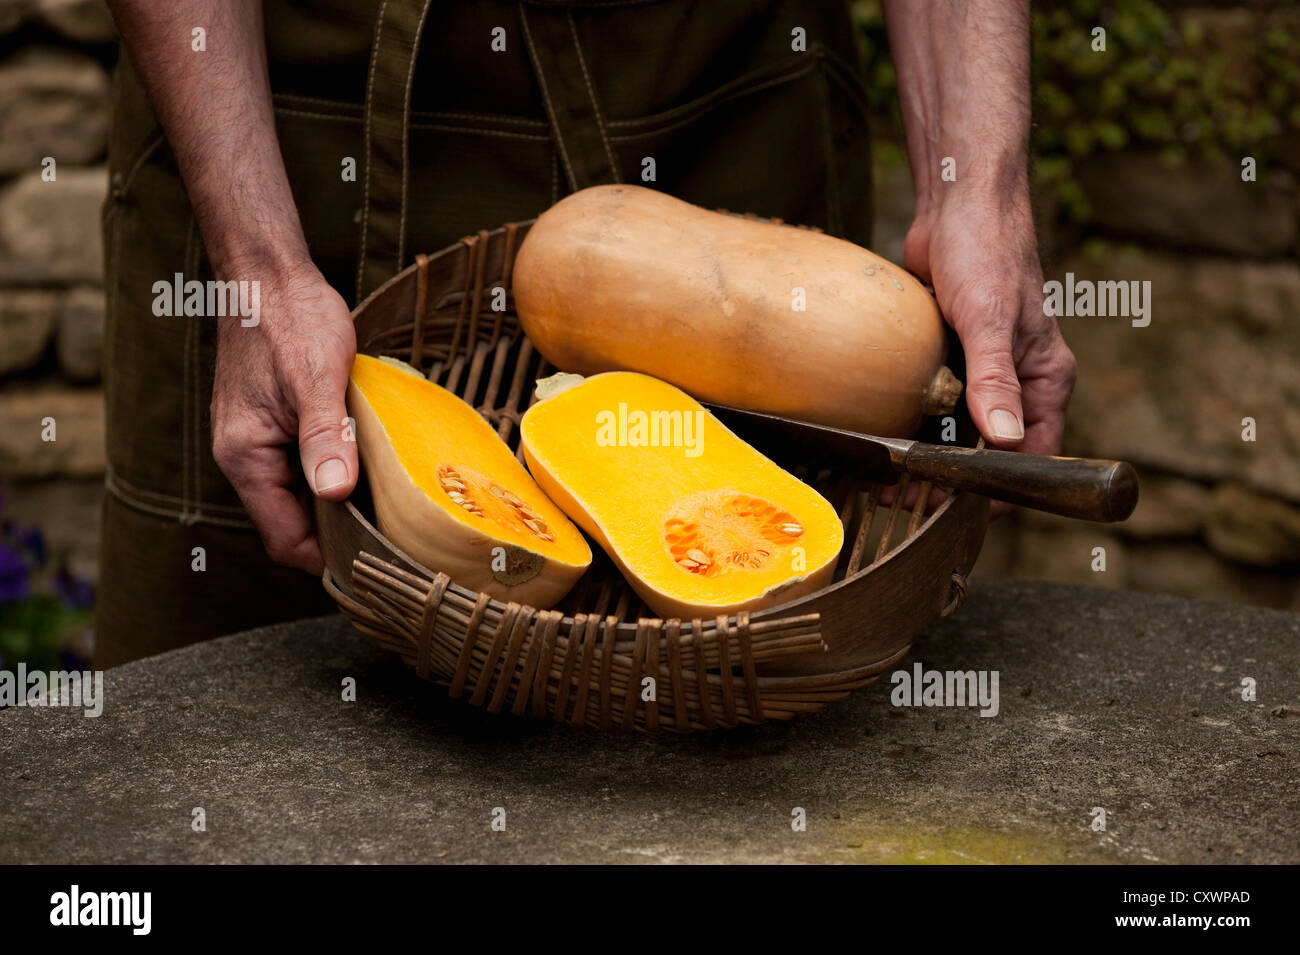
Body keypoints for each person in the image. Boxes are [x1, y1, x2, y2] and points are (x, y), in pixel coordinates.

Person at [96, 0, 1076, 667]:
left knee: (772, 770)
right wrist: (258, 268)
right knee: (242, 733)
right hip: (282, 118)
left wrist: (977, 191)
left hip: (724, 81)